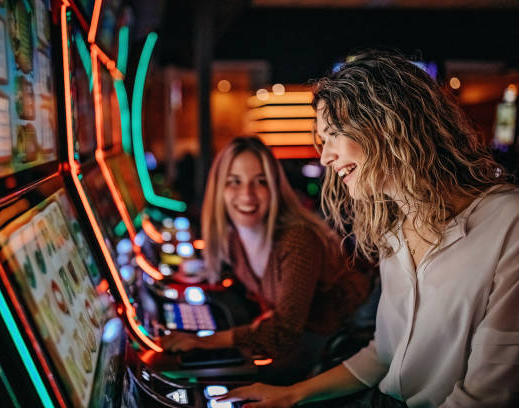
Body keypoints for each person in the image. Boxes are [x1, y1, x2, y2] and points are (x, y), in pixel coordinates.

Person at [218, 51, 519, 408]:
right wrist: (293, 395)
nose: (325, 157)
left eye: (332, 135)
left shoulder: (507, 223)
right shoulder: (393, 230)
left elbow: (486, 398)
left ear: (385, 124)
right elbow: (383, 355)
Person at [161, 137, 371, 380]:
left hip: (345, 347)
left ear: (274, 188)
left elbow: (284, 332)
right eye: (234, 182)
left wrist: (204, 342)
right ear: (219, 189)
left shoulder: (297, 240)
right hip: (310, 341)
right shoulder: (232, 242)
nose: (247, 194)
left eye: (260, 182)